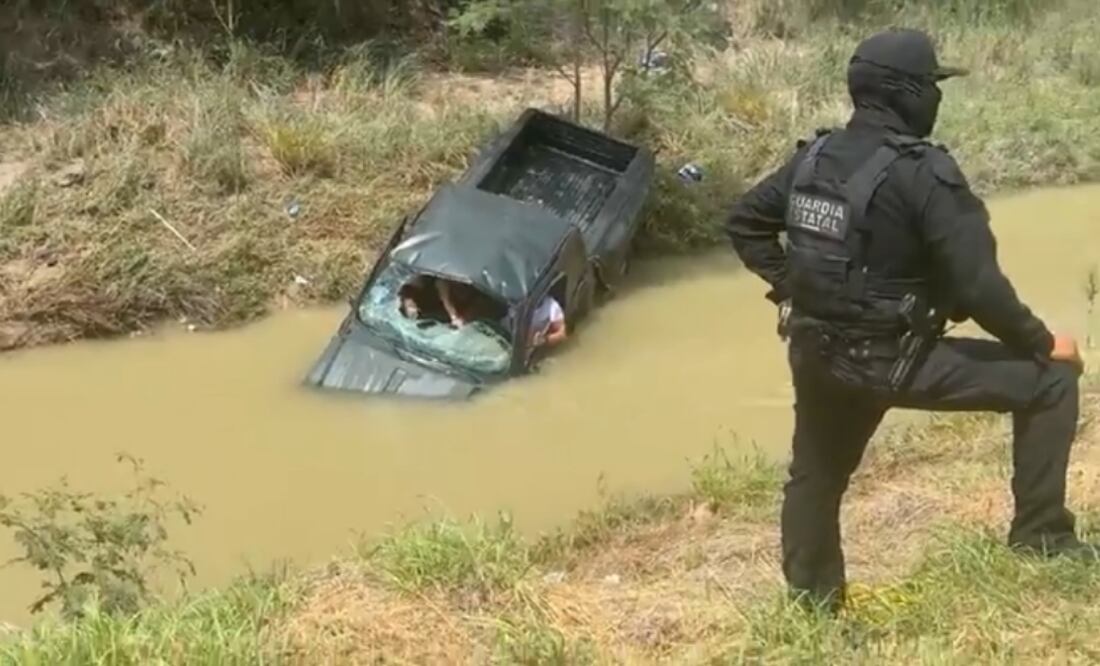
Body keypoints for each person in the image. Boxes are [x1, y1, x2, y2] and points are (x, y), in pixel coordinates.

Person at [723, 27, 1090, 614]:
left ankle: (815, 608)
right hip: (900, 360)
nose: (937, 98)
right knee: (1051, 381)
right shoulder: (927, 173)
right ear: (906, 93)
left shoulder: (813, 160)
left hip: (818, 351)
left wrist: (796, 288)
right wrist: (1044, 342)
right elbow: (980, 287)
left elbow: (745, 222)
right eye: (931, 86)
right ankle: (1041, 536)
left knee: (816, 476)